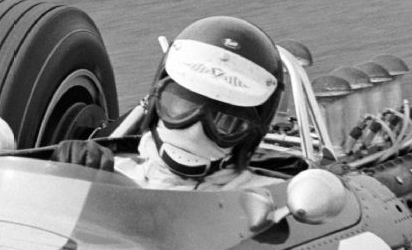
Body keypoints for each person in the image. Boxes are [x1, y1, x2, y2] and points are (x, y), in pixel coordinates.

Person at [52, 16, 286, 190]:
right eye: (182, 105)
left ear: (251, 136)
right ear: (156, 103)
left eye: (226, 121)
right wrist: (62, 181)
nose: (194, 130)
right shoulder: (100, 172)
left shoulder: (276, 199)